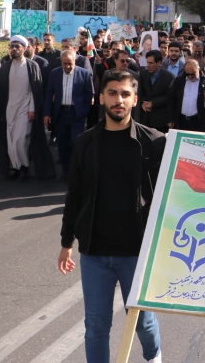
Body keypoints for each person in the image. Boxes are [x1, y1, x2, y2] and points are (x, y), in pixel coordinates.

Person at [58, 70, 164, 363]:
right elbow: (74, 196)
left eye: (125, 94)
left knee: (142, 322)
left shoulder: (155, 142)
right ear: (101, 97)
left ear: (135, 99)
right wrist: (67, 242)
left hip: (137, 254)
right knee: (95, 327)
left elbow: (172, 196)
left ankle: (154, 358)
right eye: (113, 93)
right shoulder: (85, 143)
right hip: (95, 254)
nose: (119, 100)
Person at [0, 35, 54, 181]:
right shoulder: (6, 66)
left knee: (20, 140)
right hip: (9, 109)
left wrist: (32, 108)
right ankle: (17, 167)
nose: (14, 49)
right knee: (11, 140)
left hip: (26, 109)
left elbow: (35, 90)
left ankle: (24, 167)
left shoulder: (32, 66)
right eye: (12, 46)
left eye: (17, 46)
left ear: (24, 48)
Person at [44, 50, 95, 180]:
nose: (67, 66)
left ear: (75, 62)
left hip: (77, 114)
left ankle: (77, 171)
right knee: (62, 144)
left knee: (76, 143)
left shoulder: (84, 74)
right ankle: (66, 171)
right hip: (60, 114)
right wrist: (47, 113)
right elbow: (49, 94)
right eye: (64, 63)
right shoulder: (55, 73)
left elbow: (90, 95)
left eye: (70, 64)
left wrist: (84, 112)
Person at [168, 58, 205, 131]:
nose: (190, 76)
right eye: (188, 74)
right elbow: (172, 100)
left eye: (193, 74)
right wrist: (171, 119)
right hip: (182, 121)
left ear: (198, 69)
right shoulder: (179, 81)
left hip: (199, 121)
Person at [139, 50, 175, 134]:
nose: (148, 65)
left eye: (151, 63)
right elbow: (140, 92)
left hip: (161, 120)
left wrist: (153, 103)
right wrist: (143, 103)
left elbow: (169, 97)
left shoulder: (169, 77)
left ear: (159, 63)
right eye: (147, 62)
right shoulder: (143, 74)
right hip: (145, 119)